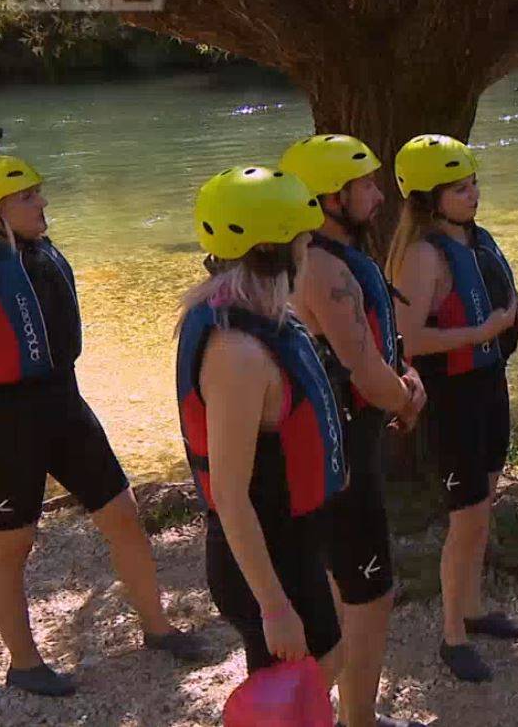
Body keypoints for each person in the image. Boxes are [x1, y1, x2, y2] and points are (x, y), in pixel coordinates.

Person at [0, 127, 206, 697]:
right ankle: (24, 663)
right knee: (12, 544)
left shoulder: (31, 253)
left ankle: (158, 628)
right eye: (29, 196)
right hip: (6, 425)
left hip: (63, 402)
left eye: (39, 192)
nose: (43, 203)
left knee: (123, 513)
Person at [175, 166, 345, 687]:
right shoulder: (237, 352)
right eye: (301, 237)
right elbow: (228, 493)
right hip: (264, 558)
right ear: (272, 251)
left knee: (314, 672)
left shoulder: (259, 312)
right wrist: (273, 606)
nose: (309, 244)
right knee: (308, 678)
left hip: (292, 542)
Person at [279, 134, 427, 727]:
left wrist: (403, 378)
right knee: (371, 595)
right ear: (329, 199)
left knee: (349, 589)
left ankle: (342, 716)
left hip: (339, 442)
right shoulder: (322, 269)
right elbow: (364, 372)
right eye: (365, 184)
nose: (378, 193)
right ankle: (349, 720)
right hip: (339, 453)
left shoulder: (325, 257)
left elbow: (373, 356)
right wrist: (407, 399)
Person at [384, 134, 518, 682]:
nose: (473, 193)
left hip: (489, 386)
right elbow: (408, 340)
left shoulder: (478, 238)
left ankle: (473, 608)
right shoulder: (423, 254)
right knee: (466, 516)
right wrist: (484, 330)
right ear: (429, 198)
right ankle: (452, 636)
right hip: (452, 401)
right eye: (459, 188)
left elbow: (498, 293)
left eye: (474, 183)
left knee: (484, 505)